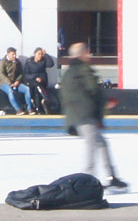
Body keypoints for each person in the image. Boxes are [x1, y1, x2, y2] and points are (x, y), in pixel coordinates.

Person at [60, 42, 125, 190]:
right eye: (87, 52)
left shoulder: (69, 72)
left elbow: (66, 95)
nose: (89, 55)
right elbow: (93, 89)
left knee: (100, 143)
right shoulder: (83, 69)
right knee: (92, 145)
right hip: (85, 114)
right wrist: (105, 103)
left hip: (77, 115)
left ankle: (111, 176)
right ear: (83, 54)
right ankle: (87, 181)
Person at [0, 47, 31, 111]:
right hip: (4, 83)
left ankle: (29, 108)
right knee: (10, 91)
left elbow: (20, 73)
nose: (14, 56)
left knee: (27, 89)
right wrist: (10, 83)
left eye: (15, 54)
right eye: (12, 54)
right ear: (8, 54)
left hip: (15, 83)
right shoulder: (2, 62)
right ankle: (18, 109)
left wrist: (18, 81)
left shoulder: (17, 62)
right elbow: (1, 74)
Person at [27, 46, 57, 114]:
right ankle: (43, 100)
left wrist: (45, 54)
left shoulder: (43, 61)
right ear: (34, 54)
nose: (40, 56)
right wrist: (34, 77)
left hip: (42, 81)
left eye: (41, 54)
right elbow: (26, 75)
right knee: (36, 88)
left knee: (38, 88)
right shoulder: (29, 62)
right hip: (32, 80)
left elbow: (51, 64)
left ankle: (39, 106)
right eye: (38, 54)